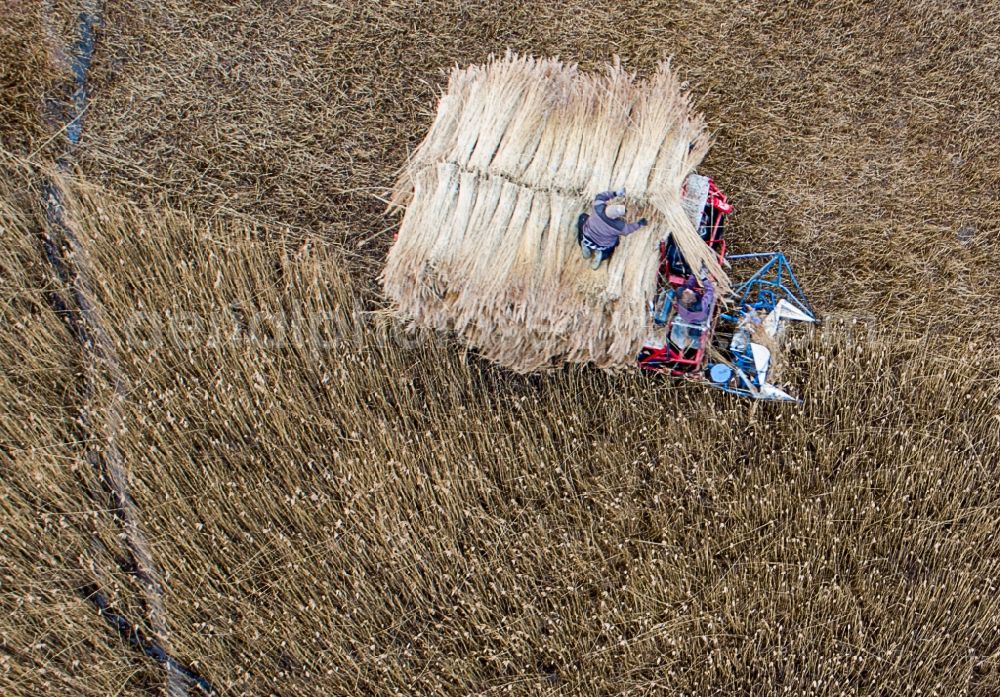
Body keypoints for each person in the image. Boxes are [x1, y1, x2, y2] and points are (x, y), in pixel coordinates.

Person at [576, 187, 648, 270]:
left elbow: (601, 196)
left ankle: (584, 245)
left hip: (588, 236)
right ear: (616, 217)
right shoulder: (618, 225)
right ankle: (602, 255)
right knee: (615, 242)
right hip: (602, 245)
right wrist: (639, 223)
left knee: (582, 217)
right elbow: (629, 229)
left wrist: (616, 193)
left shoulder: (598, 207)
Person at [670, 273, 715, 351]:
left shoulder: (682, 299)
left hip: (687, 317)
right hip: (699, 318)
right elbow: (710, 291)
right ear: (694, 297)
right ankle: (695, 334)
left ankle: (694, 331)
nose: (687, 289)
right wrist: (704, 279)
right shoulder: (701, 304)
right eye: (690, 291)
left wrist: (693, 275)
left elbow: (687, 287)